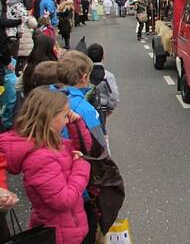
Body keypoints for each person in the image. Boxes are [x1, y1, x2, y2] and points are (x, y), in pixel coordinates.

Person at [0, 87, 90, 244]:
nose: (67, 119)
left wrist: (75, 124)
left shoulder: (52, 143)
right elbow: (63, 200)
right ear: (50, 118)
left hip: (66, 228)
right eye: (64, 116)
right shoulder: (40, 159)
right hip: (58, 235)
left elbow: (85, 148)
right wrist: (81, 167)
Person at [54, 51, 107, 244]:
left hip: (51, 182)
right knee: (84, 231)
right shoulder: (84, 109)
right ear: (84, 77)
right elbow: (98, 148)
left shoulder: (45, 98)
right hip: (80, 185)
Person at [86, 43, 120, 129]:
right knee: (100, 131)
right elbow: (114, 95)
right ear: (103, 56)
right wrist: (110, 108)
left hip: (86, 107)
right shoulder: (108, 76)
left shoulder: (84, 75)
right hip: (102, 108)